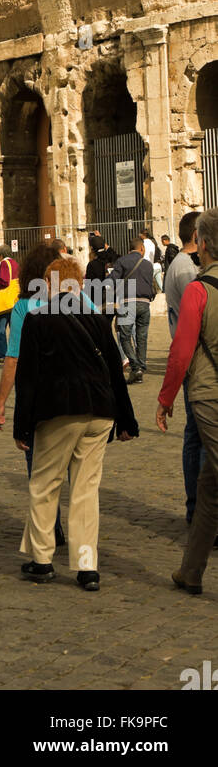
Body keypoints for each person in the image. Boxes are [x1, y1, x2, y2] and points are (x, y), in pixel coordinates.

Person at [14, 256, 138, 590]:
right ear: (80, 284)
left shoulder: (38, 320)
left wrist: (21, 425)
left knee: (45, 483)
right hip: (99, 412)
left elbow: (27, 378)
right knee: (85, 489)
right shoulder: (97, 320)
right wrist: (126, 420)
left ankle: (41, 560)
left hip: (59, 411)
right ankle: (87, 567)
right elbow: (114, 371)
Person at [156, 209, 218, 594]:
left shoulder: (200, 289)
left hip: (210, 396)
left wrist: (165, 398)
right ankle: (191, 571)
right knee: (209, 486)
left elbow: (180, 351)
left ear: (204, 244)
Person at [0, 243, 64, 544]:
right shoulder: (78, 300)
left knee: (39, 468)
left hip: (35, 395)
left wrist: (1, 403)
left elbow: (14, 357)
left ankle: (50, 530)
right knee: (73, 469)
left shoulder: (24, 306)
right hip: (71, 391)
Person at [161, 211, 206, 530]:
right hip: (197, 360)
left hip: (191, 357)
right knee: (200, 437)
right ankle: (201, 509)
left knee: (194, 435)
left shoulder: (178, 265)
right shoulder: (189, 270)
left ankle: (197, 507)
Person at [109, 234, 155, 384]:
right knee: (141, 337)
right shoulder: (148, 265)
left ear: (129, 249)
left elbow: (111, 282)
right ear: (142, 249)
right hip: (145, 304)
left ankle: (136, 368)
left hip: (128, 302)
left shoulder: (122, 261)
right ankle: (141, 366)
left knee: (124, 336)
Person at [0, 244, 19, 363]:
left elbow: (4, 281)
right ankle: (15, 352)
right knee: (14, 328)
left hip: (5, 301)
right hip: (14, 299)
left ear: (0, 255)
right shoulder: (16, 263)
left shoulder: (4, 263)